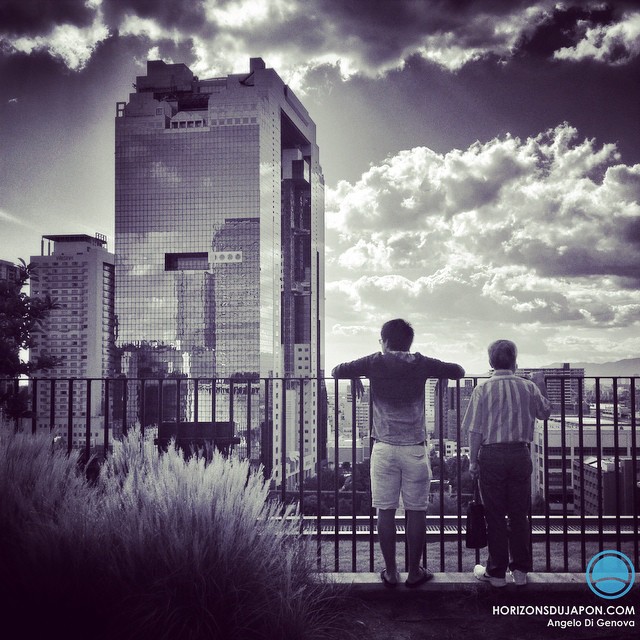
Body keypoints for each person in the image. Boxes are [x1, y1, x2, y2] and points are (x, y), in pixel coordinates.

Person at [331, 319, 465, 588]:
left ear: (384, 340)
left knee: (386, 511)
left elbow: (336, 370)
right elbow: (459, 370)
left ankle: (391, 572)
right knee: (416, 511)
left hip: (383, 448)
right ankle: (415, 572)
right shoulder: (422, 362)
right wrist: (441, 375)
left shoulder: (373, 362)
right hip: (415, 448)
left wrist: (355, 375)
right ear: (409, 342)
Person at [462, 339, 551, 587]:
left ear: (491, 363)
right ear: (515, 362)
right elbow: (545, 413)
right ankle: (520, 571)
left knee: (495, 515)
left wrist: (473, 462)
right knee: (519, 514)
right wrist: (540, 384)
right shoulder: (528, 387)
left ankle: (497, 572)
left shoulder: (482, 389)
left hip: (491, 455)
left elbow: (475, 430)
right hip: (520, 453)